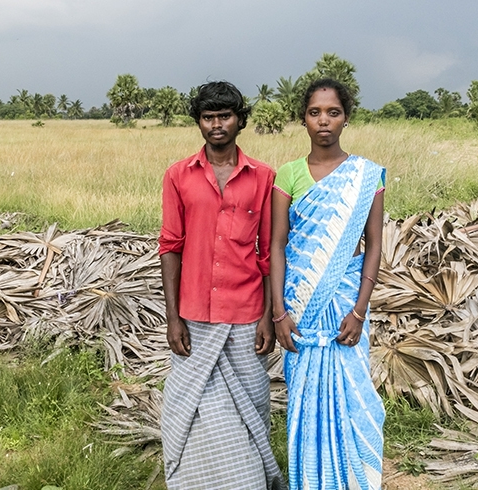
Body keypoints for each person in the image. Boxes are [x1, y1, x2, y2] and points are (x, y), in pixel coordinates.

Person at [159, 81, 285, 490]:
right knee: (192, 407)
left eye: (225, 116)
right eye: (208, 117)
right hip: (194, 315)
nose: (217, 125)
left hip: (246, 314)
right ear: (198, 121)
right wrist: (173, 317)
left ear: (240, 120)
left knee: (249, 407)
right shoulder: (178, 175)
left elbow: (268, 252)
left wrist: (268, 316)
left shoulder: (264, 177)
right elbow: (171, 246)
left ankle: (248, 480)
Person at [270, 78, 386, 490]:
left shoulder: (366, 176)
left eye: (333, 112)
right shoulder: (288, 174)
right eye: (315, 112)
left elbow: (373, 246)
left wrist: (359, 310)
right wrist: (279, 312)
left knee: (355, 399)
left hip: (345, 307)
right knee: (303, 403)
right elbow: (277, 245)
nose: (324, 120)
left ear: (346, 119)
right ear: (303, 119)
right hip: (299, 309)